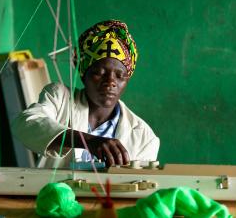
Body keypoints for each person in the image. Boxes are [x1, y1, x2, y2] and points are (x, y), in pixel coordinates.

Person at [12, 20, 160, 168]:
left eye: (120, 76)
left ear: (127, 80)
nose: (110, 82)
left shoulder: (144, 137)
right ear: (84, 73)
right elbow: (26, 124)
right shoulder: (60, 97)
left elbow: (139, 185)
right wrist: (87, 141)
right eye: (99, 73)